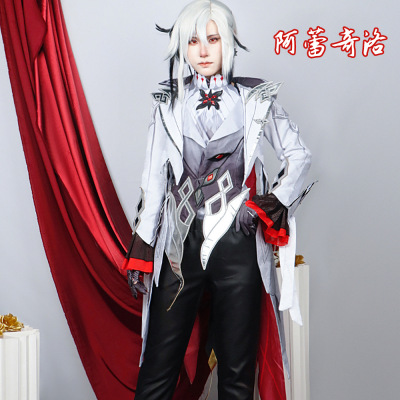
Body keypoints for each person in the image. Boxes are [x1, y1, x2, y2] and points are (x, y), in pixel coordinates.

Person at [121, 1, 311, 399]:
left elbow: (298, 156)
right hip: (179, 245)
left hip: (238, 245)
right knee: (158, 367)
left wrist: (273, 202)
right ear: (182, 47)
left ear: (229, 41)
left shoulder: (256, 99)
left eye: (213, 39)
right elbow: (153, 181)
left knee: (237, 372)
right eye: (193, 41)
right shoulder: (168, 104)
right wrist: (143, 244)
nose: (204, 50)